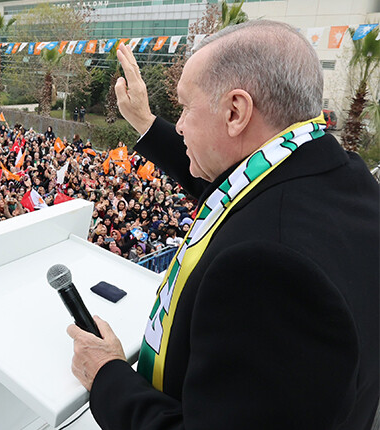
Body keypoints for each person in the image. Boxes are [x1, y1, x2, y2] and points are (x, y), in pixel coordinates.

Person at [66, 21, 379, 429]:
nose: (177, 125)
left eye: (183, 107)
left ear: (236, 112)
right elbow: (238, 195)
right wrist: (146, 123)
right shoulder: (338, 175)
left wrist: (107, 375)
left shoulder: (269, 267)